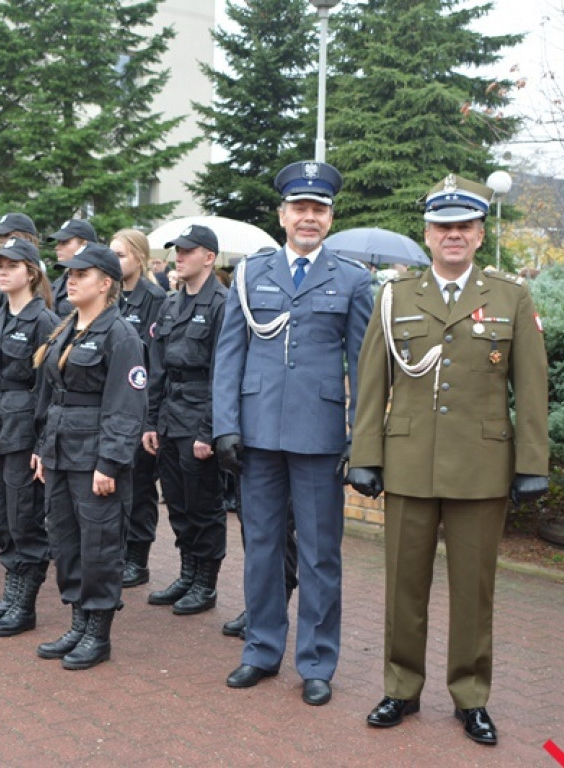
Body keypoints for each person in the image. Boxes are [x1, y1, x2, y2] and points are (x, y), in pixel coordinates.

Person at [347, 174, 549, 746]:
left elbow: (532, 386)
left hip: (482, 468)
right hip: (409, 461)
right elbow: (371, 380)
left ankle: (471, 696)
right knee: (402, 588)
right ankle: (401, 688)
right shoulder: (395, 296)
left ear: (480, 234)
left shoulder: (510, 296)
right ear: (428, 234)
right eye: (443, 226)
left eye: (464, 226)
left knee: (474, 592)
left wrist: (532, 463)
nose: (453, 234)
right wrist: (365, 454)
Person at [213, 161, 373, 706]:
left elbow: (364, 367)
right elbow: (229, 355)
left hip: (320, 437)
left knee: (320, 554)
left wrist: (360, 438)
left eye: (318, 210)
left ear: (330, 218)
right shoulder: (250, 273)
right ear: (282, 215)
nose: (309, 217)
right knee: (261, 549)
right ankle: (261, 650)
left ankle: (317, 661)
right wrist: (225, 426)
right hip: (257, 435)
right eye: (300, 208)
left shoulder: (352, 279)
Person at [33, 242, 147, 670]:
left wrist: (110, 462)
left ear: (105, 283)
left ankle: (97, 633)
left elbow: (127, 405)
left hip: (94, 456)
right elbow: (50, 396)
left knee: (99, 544)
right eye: (70, 274)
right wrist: (41, 449)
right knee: (65, 540)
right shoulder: (68, 327)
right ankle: (78, 623)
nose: (71, 280)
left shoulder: (120, 334)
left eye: (81, 275)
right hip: (61, 451)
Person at [0, 238, 57, 636]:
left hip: (23, 432)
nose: (2, 272)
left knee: (24, 519)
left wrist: (42, 444)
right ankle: (10, 594)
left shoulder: (44, 323)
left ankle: (24, 604)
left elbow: (50, 389)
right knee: (0, 517)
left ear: (32, 273)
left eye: (12, 266)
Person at [143, 225, 228, 615]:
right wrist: (151, 421)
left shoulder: (221, 304)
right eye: (177, 250)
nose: (179, 256)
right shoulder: (171, 303)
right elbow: (157, 367)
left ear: (209, 257)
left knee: (203, 504)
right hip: (170, 415)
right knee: (177, 502)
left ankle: (205, 583)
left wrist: (208, 430)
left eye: (188, 251)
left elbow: (223, 373)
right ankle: (187, 572)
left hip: (198, 415)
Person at [110, 229, 166, 588]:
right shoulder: (111, 296)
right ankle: (118, 551)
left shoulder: (155, 299)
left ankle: (138, 557)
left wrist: (149, 418)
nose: (114, 262)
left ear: (140, 258)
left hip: (140, 404)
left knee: (141, 486)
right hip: (112, 404)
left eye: (121, 255)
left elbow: (154, 362)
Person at [48, 219, 98, 315]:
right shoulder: (59, 282)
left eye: (64, 242)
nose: (57, 247)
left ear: (84, 245)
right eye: (58, 242)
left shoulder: (96, 283)